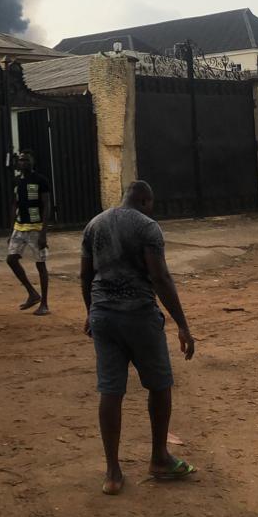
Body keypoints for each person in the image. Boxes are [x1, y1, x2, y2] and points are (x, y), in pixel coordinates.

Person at [80, 180, 195, 495]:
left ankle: (113, 472)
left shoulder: (94, 224)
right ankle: (159, 458)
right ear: (145, 200)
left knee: (110, 390)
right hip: (139, 316)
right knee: (159, 385)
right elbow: (159, 277)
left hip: (103, 316)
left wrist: (91, 312)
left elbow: (85, 275)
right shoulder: (148, 227)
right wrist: (182, 325)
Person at [6, 150, 51, 316]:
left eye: (26, 160)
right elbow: (13, 204)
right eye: (20, 160)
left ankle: (45, 303)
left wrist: (43, 233)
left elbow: (46, 205)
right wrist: (11, 229)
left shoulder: (41, 180)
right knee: (11, 259)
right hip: (20, 226)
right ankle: (32, 293)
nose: (22, 162)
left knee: (40, 264)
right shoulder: (17, 181)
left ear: (33, 162)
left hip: (36, 227)